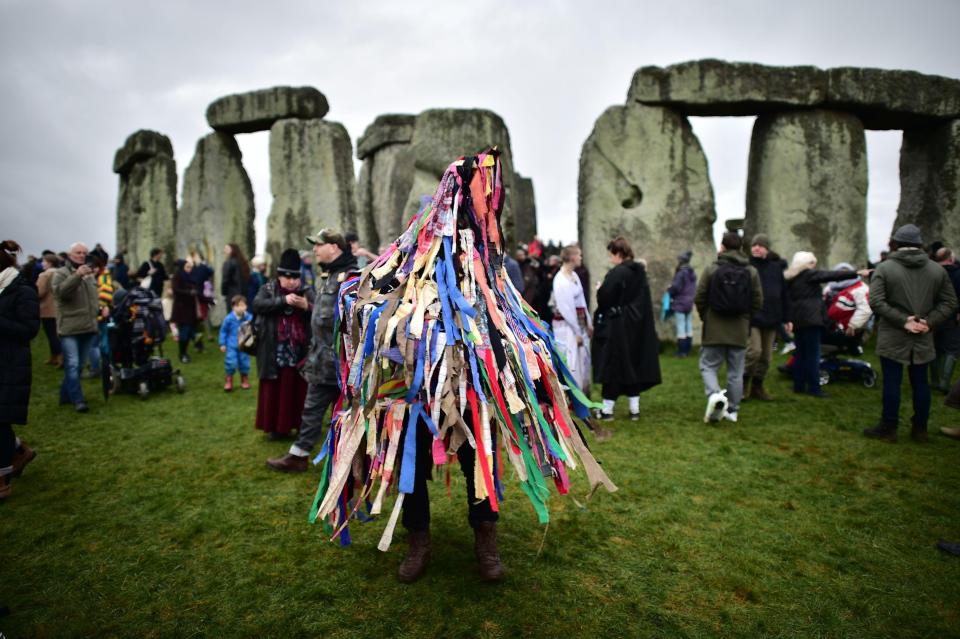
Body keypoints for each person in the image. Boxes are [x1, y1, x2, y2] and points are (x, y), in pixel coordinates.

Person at [267, 229, 357, 472]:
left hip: (343, 363)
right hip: (322, 360)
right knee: (313, 409)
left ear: (334, 247)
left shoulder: (351, 277)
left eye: (319, 244)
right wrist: (309, 307)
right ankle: (299, 455)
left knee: (349, 413)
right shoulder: (329, 276)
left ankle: (352, 460)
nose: (314, 249)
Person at [863, 224, 958, 443]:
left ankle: (888, 428)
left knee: (892, 382)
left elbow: (876, 301)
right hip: (923, 333)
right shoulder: (937, 270)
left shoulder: (885, 268)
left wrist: (903, 320)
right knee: (921, 383)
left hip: (893, 333)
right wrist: (929, 321)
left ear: (896, 243)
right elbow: (950, 302)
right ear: (919, 244)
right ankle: (920, 429)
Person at [694, 232, 762, 423]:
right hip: (739, 328)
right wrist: (746, 319)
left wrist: (705, 316)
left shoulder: (712, 269)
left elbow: (700, 297)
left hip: (714, 326)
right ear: (741, 248)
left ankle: (715, 396)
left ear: (722, 247)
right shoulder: (751, 272)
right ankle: (733, 410)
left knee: (708, 366)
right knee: (736, 372)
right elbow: (758, 300)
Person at [592, 236, 662, 420]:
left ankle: (607, 411)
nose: (610, 258)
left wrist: (599, 289)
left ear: (619, 253)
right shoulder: (639, 272)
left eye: (611, 255)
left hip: (618, 327)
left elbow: (605, 298)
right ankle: (634, 410)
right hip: (636, 327)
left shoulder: (618, 273)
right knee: (631, 366)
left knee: (613, 367)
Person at [253, 248, 314, 439]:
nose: (292, 282)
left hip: (299, 350)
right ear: (279, 276)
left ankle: (297, 426)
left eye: (295, 278)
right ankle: (275, 428)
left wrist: (306, 306)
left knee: (297, 389)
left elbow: (321, 312)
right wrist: (283, 300)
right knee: (274, 389)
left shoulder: (306, 292)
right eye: (287, 278)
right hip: (273, 349)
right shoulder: (268, 289)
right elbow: (257, 305)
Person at [784, 251, 857, 397]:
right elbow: (831, 275)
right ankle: (814, 388)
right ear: (807, 264)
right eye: (812, 263)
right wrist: (855, 273)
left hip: (798, 320)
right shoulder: (809, 275)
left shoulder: (791, 278)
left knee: (800, 354)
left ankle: (798, 385)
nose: (815, 266)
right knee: (812, 355)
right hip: (811, 320)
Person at [0, 240, 41, 500]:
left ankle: (1, 480)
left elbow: (29, 329)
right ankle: (18, 450)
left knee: (0, 420)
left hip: (10, 361)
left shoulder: (22, 289)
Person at [51, 242, 99, 413]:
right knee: (72, 364)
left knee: (78, 366)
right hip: (70, 327)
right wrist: (77, 276)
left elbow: (93, 298)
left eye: (84, 252)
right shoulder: (60, 273)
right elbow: (61, 293)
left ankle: (66, 396)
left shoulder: (89, 274)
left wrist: (101, 309)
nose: (81, 255)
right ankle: (78, 400)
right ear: (70, 255)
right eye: (78, 252)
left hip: (88, 326)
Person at [744, 234, 790, 400]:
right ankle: (743, 385)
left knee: (766, 357)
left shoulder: (775, 268)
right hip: (753, 317)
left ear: (767, 249)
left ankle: (757, 387)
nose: (756, 248)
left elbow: (784, 293)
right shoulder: (747, 267)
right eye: (754, 245)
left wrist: (786, 318)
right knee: (754, 352)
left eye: (760, 245)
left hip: (772, 317)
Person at [551, 245, 592, 392]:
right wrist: (577, 332)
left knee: (582, 361)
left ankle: (583, 397)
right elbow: (566, 309)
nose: (581, 258)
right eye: (579, 255)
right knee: (571, 361)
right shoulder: (560, 280)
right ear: (573, 257)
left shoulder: (574, 276)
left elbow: (581, 302)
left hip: (578, 324)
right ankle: (572, 400)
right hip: (566, 327)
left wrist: (588, 323)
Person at [931, 247, 960, 392]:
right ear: (950, 257)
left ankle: (935, 381)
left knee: (935, 347)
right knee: (952, 349)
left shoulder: (930, 272)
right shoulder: (958, 273)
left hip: (933, 314)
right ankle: (944, 383)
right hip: (952, 315)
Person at [86, 248, 114, 377]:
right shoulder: (103, 275)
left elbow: (105, 295)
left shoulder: (103, 277)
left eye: (95, 267)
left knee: (96, 344)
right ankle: (106, 367)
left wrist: (102, 308)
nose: (93, 269)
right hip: (97, 314)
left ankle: (97, 369)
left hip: (98, 315)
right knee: (101, 343)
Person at [667, 249, 697, 358]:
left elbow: (676, 287)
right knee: (688, 325)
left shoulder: (681, 273)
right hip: (689, 302)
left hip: (680, 302)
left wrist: (669, 290)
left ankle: (682, 351)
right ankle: (688, 350)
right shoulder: (692, 273)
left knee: (681, 326)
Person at [219, 295, 252, 391]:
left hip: (244, 345)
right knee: (231, 362)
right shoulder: (229, 319)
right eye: (238, 306)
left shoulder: (248, 317)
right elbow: (223, 331)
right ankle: (229, 380)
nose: (241, 308)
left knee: (244, 362)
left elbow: (254, 324)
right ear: (233, 307)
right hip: (231, 346)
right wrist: (222, 343)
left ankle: (244, 379)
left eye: (243, 305)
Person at [36, 253, 62, 366]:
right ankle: (54, 357)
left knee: (51, 335)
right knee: (57, 334)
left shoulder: (44, 275)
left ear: (50, 263)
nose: (42, 263)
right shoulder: (61, 273)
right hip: (60, 307)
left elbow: (39, 292)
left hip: (47, 308)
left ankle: (60, 357)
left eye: (44, 261)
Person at [171, 259, 198, 364]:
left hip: (190, 307)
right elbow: (176, 290)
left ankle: (185, 351)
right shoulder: (177, 276)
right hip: (181, 308)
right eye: (187, 266)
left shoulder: (189, 276)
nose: (189, 269)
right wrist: (189, 292)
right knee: (184, 332)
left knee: (189, 330)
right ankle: (182, 353)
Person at [188, 250, 215, 350]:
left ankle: (209, 334)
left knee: (205, 314)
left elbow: (211, 273)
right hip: (194, 294)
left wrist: (209, 286)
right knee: (197, 315)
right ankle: (197, 334)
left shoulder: (203, 267)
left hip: (202, 294)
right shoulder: (191, 268)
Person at [221, 243, 250, 310]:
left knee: (233, 315)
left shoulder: (228, 263)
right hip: (243, 293)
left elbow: (225, 279)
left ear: (233, 250)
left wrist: (224, 292)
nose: (224, 251)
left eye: (227, 249)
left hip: (231, 293)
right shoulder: (242, 263)